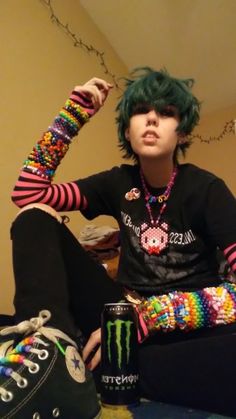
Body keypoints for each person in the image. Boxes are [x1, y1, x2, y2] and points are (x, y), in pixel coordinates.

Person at [0, 68, 236, 418]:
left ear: (182, 132)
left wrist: (151, 316)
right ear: (128, 128)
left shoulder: (207, 189)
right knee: (35, 216)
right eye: (141, 111)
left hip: (187, 327)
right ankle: (51, 352)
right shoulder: (117, 182)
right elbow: (28, 193)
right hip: (119, 313)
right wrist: (72, 116)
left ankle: (107, 367)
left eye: (167, 113)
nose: (152, 118)